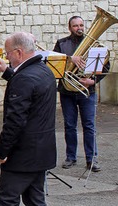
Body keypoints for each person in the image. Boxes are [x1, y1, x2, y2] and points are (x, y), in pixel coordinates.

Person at [0, 32, 57, 206]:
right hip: (42, 150)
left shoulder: (24, 78)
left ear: (19, 52)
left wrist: (2, 152)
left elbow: (15, 121)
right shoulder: (45, 71)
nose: (7, 58)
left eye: (8, 54)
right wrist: (8, 72)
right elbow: (31, 91)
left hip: (23, 154)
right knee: (35, 200)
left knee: (7, 200)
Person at [54, 16, 109, 172]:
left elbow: (106, 66)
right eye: (75, 26)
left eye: (81, 25)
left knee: (89, 126)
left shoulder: (94, 45)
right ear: (69, 27)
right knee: (70, 125)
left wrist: (93, 81)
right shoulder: (61, 44)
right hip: (67, 91)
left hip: (87, 91)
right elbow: (54, 61)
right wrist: (71, 58)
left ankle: (92, 159)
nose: (79, 28)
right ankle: (71, 157)